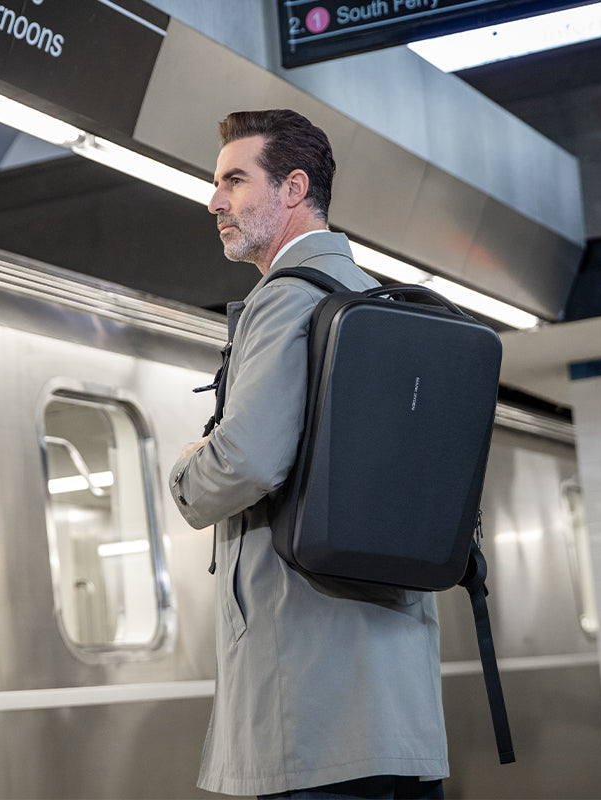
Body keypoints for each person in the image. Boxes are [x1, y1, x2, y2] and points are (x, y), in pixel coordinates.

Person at [169, 109, 448, 800]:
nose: (215, 200)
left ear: (294, 189)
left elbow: (248, 462)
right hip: (399, 708)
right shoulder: (374, 302)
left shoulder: (284, 298)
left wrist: (184, 471)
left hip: (310, 705)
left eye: (235, 179)